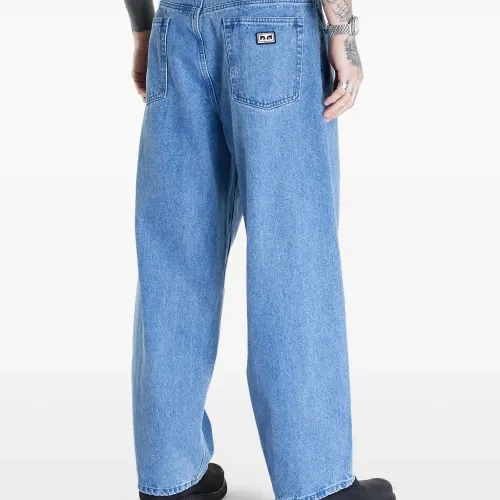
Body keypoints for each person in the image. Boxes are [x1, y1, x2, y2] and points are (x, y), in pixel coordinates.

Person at [124, 0, 395, 498]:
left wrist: (144, 28)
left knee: (174, 261)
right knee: (293, 253)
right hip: (272, 24)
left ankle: (170, 477)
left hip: (175, 24)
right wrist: (343, 30)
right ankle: (317, 482)